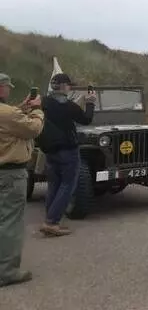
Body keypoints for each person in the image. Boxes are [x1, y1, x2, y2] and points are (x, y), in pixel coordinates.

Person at [37, 73, 96, 236]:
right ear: (63, 87)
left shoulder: (43, 102)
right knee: (67, 185)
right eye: (69, 85)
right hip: (68, 150)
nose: (70, 88)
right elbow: (86, 120)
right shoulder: (69, 106)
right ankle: (51, 222)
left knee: (54, 185)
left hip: (49, 150)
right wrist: (90, 102)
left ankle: (50, 219)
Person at [0, 73, 43, 287]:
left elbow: (10, 119)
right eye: (7, 87)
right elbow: (33, 129)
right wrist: (37, 110)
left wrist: (22, 107)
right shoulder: (7, 113)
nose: (9, 90)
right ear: (1, 88)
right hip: (10, 172)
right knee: (10, 223)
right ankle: (7, 271)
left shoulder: (8, 112)